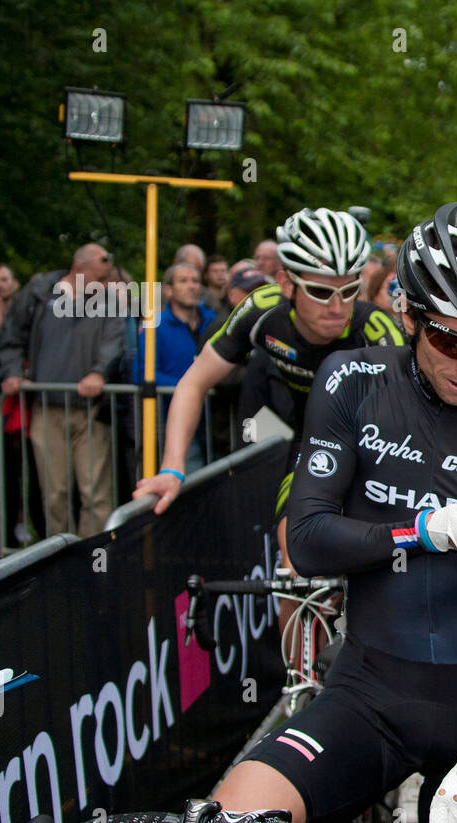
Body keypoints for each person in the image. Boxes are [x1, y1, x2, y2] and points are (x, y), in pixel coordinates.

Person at [182, 202, 457, 823]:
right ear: (409, 314)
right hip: (365, 694)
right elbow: (307, 541)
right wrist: (424, 529)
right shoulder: (352, 381)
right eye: (451, 341)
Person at [132, 209, 405, 610]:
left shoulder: (376, 329)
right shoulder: (263, 311)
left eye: (349, 291)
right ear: (285, 283)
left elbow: (413, 420)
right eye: (320, 291)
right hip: (308, 439)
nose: (337, 306)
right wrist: (173, 469)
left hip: (372, 443)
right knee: (293, 558)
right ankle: (299, 671)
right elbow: (194, 382)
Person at [0, 244, 124, 536]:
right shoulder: (40, 293)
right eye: (101, 278)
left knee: (96, 493)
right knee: (54, 493)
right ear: (80, 269)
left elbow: (114, 341)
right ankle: (59, 561)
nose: (107, 286)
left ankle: (95, 560)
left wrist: (99, 371)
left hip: (91, 411)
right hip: (47, 407)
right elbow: (12, 336)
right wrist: (13, 373)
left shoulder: (108, 303)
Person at [132, 262, 216, 472]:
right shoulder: (156, 325)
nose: (192, 286)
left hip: (215, 419)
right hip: (174, 416)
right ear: (169, 290)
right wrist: (190, 388)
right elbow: (142, 373)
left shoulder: (214, 320)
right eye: (183, 281)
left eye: (195, 281)